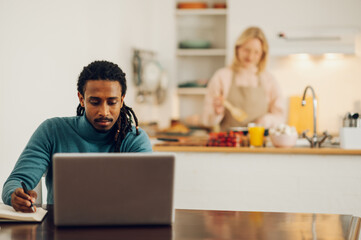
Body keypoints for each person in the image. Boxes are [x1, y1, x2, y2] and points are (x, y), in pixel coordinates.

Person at [2, 60, 152, 212]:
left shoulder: (135, 139)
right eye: (95, 102)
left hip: (121, 227)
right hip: (61, 230)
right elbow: (15, 182)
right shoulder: (52, 131)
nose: (104, 112)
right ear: (81, 99)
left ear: (121, 100)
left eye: (112, 102)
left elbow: (148, 194)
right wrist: (15, 195)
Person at [203, 26, 285, 131]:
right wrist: (216, 113)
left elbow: (280, 117)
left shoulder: (269, 79)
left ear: (262, 55)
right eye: (246, 50)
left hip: (259, 143)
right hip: (229, 143)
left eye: (256, 52)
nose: (250, 56)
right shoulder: (221, 77)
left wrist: (265, 121)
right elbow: (207, 121)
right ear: (238, 48)